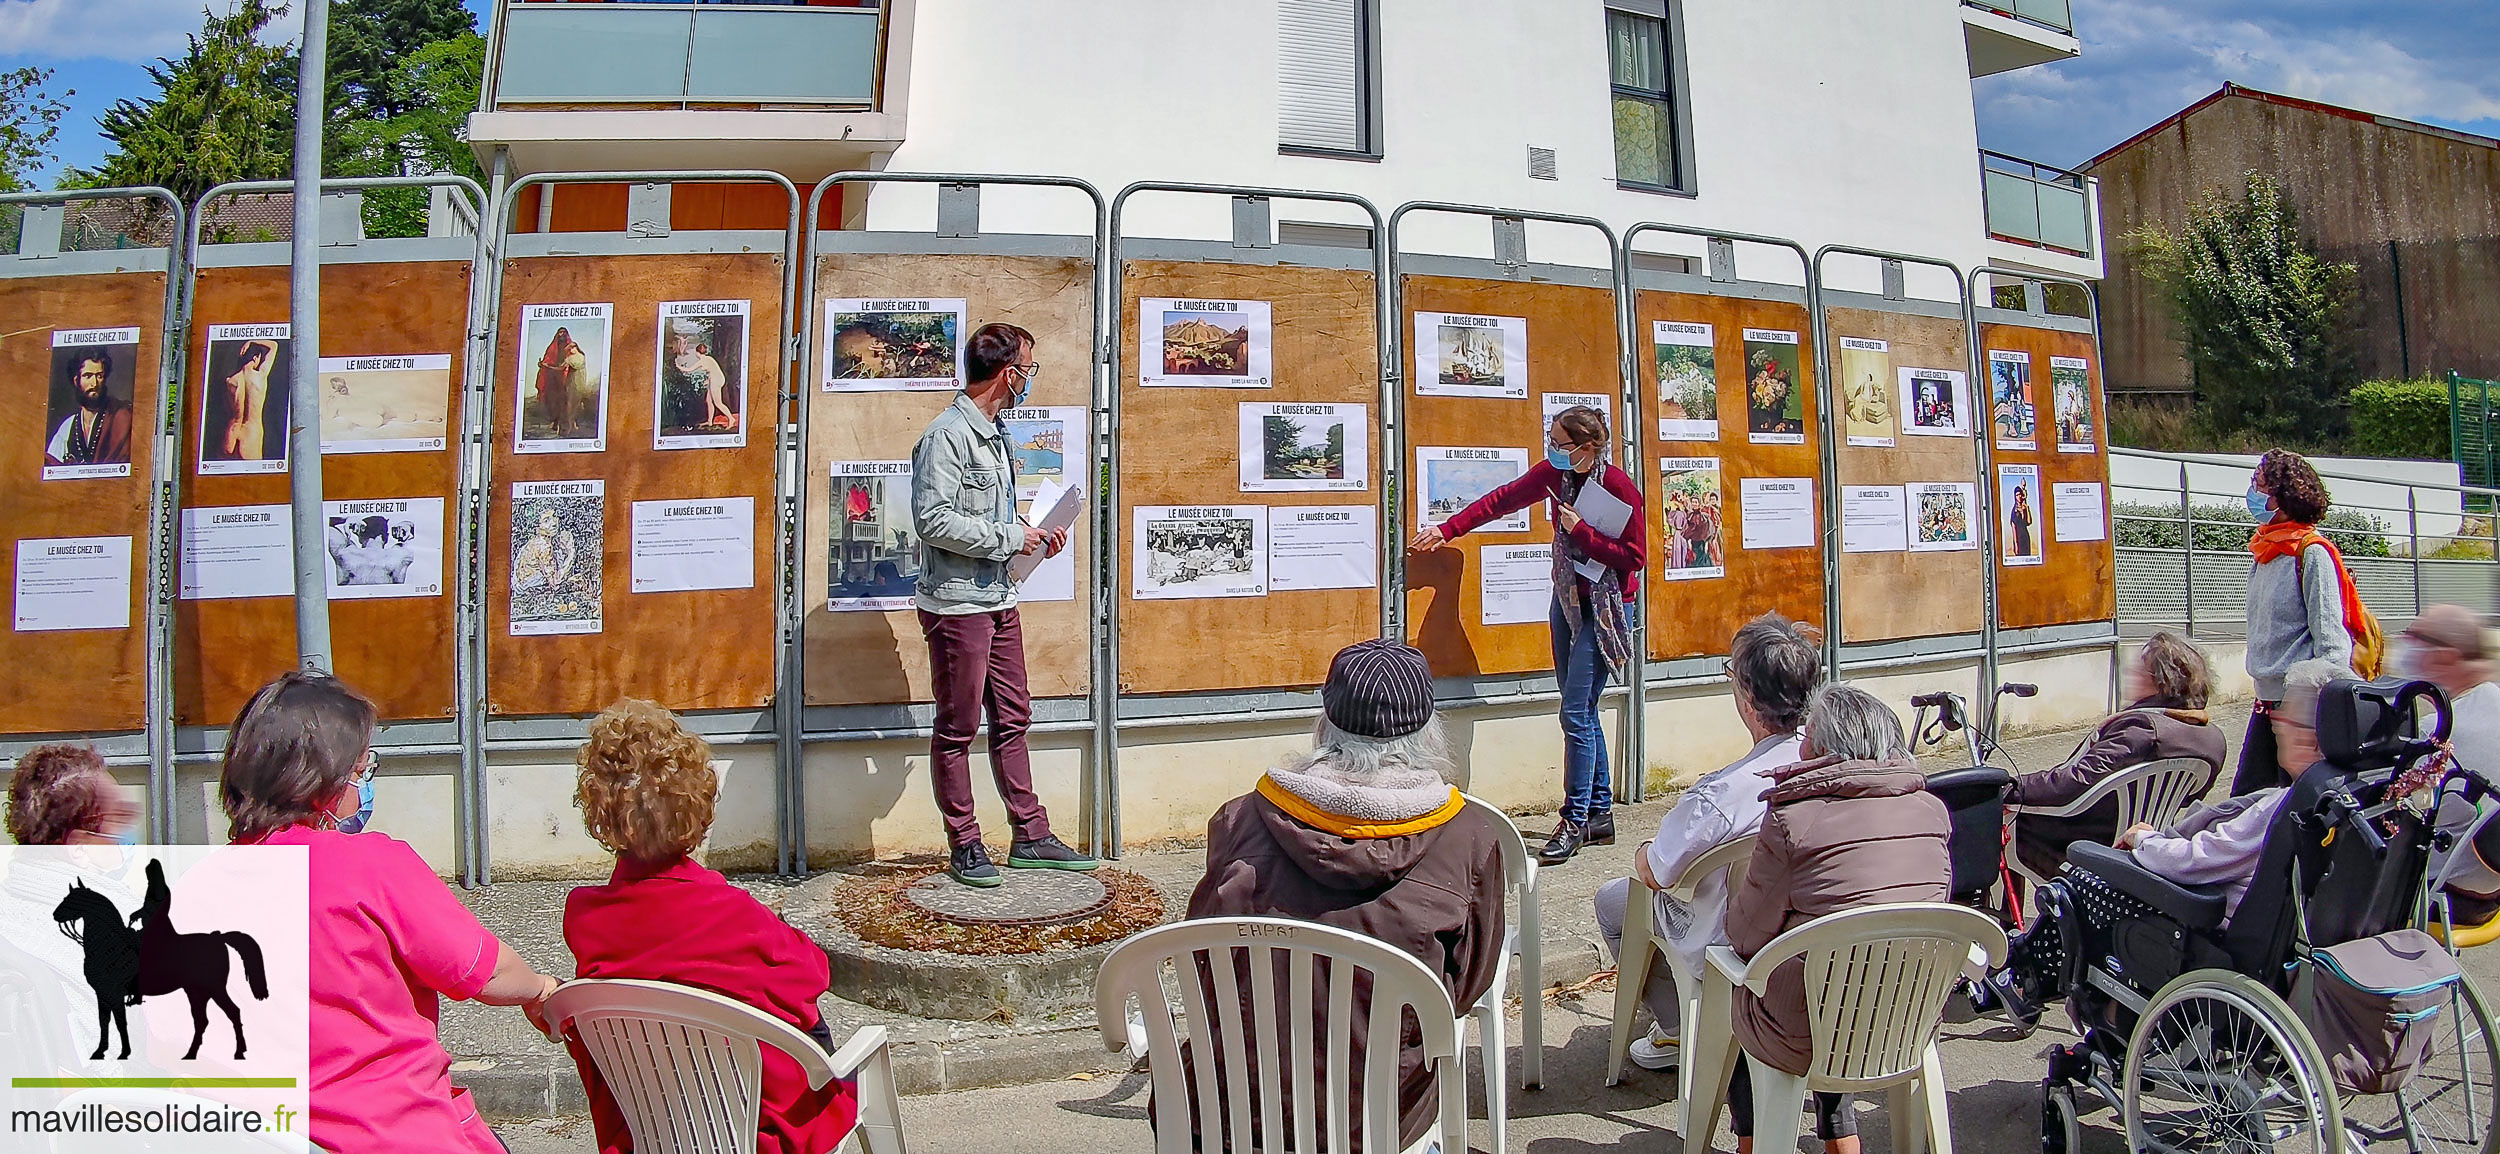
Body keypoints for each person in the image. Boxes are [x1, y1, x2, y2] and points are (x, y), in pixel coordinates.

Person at [1185, 639, 1505, 1153]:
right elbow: (1467, 987)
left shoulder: (1239, 820)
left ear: (1326, 720)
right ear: (1428, 728)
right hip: (1376, 1118)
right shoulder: (1468, 837)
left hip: (1230, 1113)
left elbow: (1201, 959)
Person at [221, 670, 562, 1153]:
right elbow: (484, 972)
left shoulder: (198, 885)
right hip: (391, 1129)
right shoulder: (370, 865)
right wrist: (542, 989)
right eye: (362, 771)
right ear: (322, 782)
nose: (365, 784)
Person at [562, 699, 858, 1154]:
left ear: (600, 815)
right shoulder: (731, 912)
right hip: (756, 1127)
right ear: (698, 809)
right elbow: (813, 974)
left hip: (652, 1126)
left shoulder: (586, 919)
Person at [1409, 405, 1647, 864]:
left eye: (1560, 443)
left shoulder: (1618, 488)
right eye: (1551, 441)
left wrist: (1585, 534)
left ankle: (1574, 819)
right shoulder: (1555, 477)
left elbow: (1634, 556)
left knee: (1575, 711)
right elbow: (1501, 500)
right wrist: (1447, 529)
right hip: (1567, 600)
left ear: (1588, 446)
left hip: (1606, 607)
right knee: (1581, 708)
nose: (1553, 450)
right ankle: (1599, 813)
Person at [1722, 684, 1951, 1154]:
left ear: (1822, 752)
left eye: (1807, 738)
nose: (1800, 745)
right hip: (1906, 1020)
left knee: (1752, 984)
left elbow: (1743, 937)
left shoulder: (1792, 819)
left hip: (1809, 1029)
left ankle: (1753, 1139)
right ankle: (1843, 1138)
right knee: (1845, 970)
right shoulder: (1933, 812)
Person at [1594, 612, 1825, 1072]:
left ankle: (1679, 1027)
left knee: (1615, 901)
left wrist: (1644, 851)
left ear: (1748, 697)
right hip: (1815, 938)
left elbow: (1657, 871)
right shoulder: (1830, 761)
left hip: (1732, 943)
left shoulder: (1724, 794)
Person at [910, 320, 1092, 887]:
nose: (1030, 380)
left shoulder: (994, 432)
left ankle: (1030, 835)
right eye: (1029, 370)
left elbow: (981, 516)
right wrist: (1013, 537)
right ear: (1008, 374)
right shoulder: (947, 435)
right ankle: (964, 843)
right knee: (958, 725)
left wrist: (1033, 533)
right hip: (957, 605)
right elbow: (933, 520)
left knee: (1014, 718)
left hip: (999, 595)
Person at [2116, 658, 2347, 922]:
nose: (2275, 722)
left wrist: (2145, 840)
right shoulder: (2356, 790)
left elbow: (2195, 860)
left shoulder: (2290, 806)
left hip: (2219, 932)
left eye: (2285, 715)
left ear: (2313, 739)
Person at [2004, 632, 2228, 881]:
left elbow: (2074, 781)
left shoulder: (2142, 729)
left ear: (2161, 683)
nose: (2130, 677)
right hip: (2147, 836)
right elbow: (2190, 797)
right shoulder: (2210, 738)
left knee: (1995, 819)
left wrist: (2008, 787)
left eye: (2139, 673)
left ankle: (1994, 917)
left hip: (2087, 842)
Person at [2235, 449, 2356, 795]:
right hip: (2266, 706)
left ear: (2282, 497)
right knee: (2246, 805)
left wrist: (2308, 712)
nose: (2253, 494)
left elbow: (2333, 644)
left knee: (2292, 813)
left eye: (2260, 486)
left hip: (2298, 714)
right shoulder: (2263, 551)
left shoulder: (2311, 553)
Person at [44, 348, 133, 468]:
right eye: (88, 376)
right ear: (77, 381)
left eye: (99, 376)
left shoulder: (121, 418)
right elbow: (52, 465)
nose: (94, 383)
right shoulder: (67, 427)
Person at [215, 339, 278, 462]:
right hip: (251, 432)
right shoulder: (260, 376)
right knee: (253, 479)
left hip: (232, 431)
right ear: (256, 358)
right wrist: (252, 341)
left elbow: (227, 409)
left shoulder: (230, 381)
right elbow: (274, 346)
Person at [534, 327, 585, 439]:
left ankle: (571, 423)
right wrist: (544, 365)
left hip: (566, 378)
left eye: (563, 333)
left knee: (569, 401)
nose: (561, 335)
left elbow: (566, 366)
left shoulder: (571, 350)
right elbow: (548, 359)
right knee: (553, 399)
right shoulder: (552, 347)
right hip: (553, 378)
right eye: (560, 332)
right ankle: (555, 422)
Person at [2008, 483, 2035, 558]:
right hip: (2018, 538)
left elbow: (2029, 522)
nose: (2019, 496)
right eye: (2017, 495)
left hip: (2025, 537)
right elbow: (2014, 527)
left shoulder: (2024, 508)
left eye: (2020, 494)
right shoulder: (2014, 511)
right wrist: (2016, 544)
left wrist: (2027, 509)